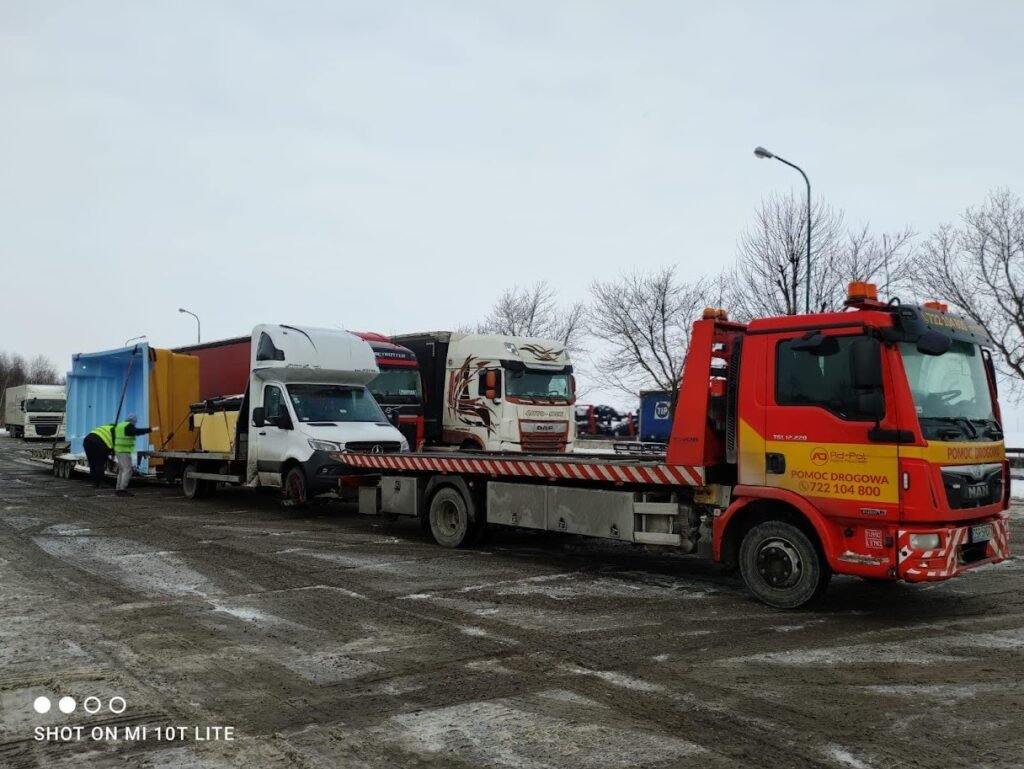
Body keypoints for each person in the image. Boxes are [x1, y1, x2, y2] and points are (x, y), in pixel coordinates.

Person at [113, 414, 158, 496]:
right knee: (127, 470)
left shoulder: (120, 425)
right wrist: (150, 429)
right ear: (133, 421)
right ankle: (122, 489)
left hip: (119, 450)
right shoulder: (129, 426)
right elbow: (137, 432)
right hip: (123, 451)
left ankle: (118, 489)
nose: (135, 423)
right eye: (135, 421)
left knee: (122, 470)